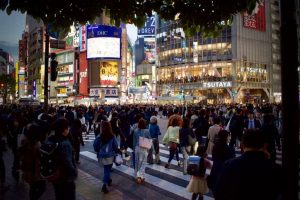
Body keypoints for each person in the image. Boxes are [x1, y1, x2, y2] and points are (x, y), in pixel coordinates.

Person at [214, 129, 283, 200]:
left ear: (242, 145)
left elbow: (218, 193)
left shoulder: (230, 165)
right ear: (264, 145)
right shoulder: (275, 169)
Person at [49, 118, 78, 200]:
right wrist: (74, 173)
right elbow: (68, 162)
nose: (68, 129)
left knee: (58, 195)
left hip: (55, 174)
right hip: (66, 176)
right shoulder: (65, 143)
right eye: (67, 127)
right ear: (63, 129)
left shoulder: (51, 139)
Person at [19, 123, 46, 200]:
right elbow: (39, 158)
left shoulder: (25, 141)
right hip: (35, 171)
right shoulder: (36, 144)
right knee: (41, 187)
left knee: (32, 188)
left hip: (27, 170)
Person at [209, 130, 235, 196]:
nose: (230, 138)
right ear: (226, 137)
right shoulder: (230, 149)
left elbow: (213, 158)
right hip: (226, 171)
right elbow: (232, 162)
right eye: (229, 136)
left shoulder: (215, 147)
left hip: (215, 169)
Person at [96, 121, 119, 194]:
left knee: (107, 169)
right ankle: (104, 185)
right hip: (110, 156)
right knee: (107, 170)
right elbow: (115, 146)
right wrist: (116, 151)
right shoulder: (112, 136)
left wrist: (98, 151)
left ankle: (108, 180)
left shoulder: (100, 136)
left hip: (102, 155)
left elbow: (95, 145)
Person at [133, 118, 151, 183]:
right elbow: (149, 139)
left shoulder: (135, 131)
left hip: (137, 148)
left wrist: (133, 149)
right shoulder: (147, 131)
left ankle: (136, 176)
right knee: (143, 163)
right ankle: (141, 176)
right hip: (144, 148)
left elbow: (134, 142)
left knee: (137, 163)